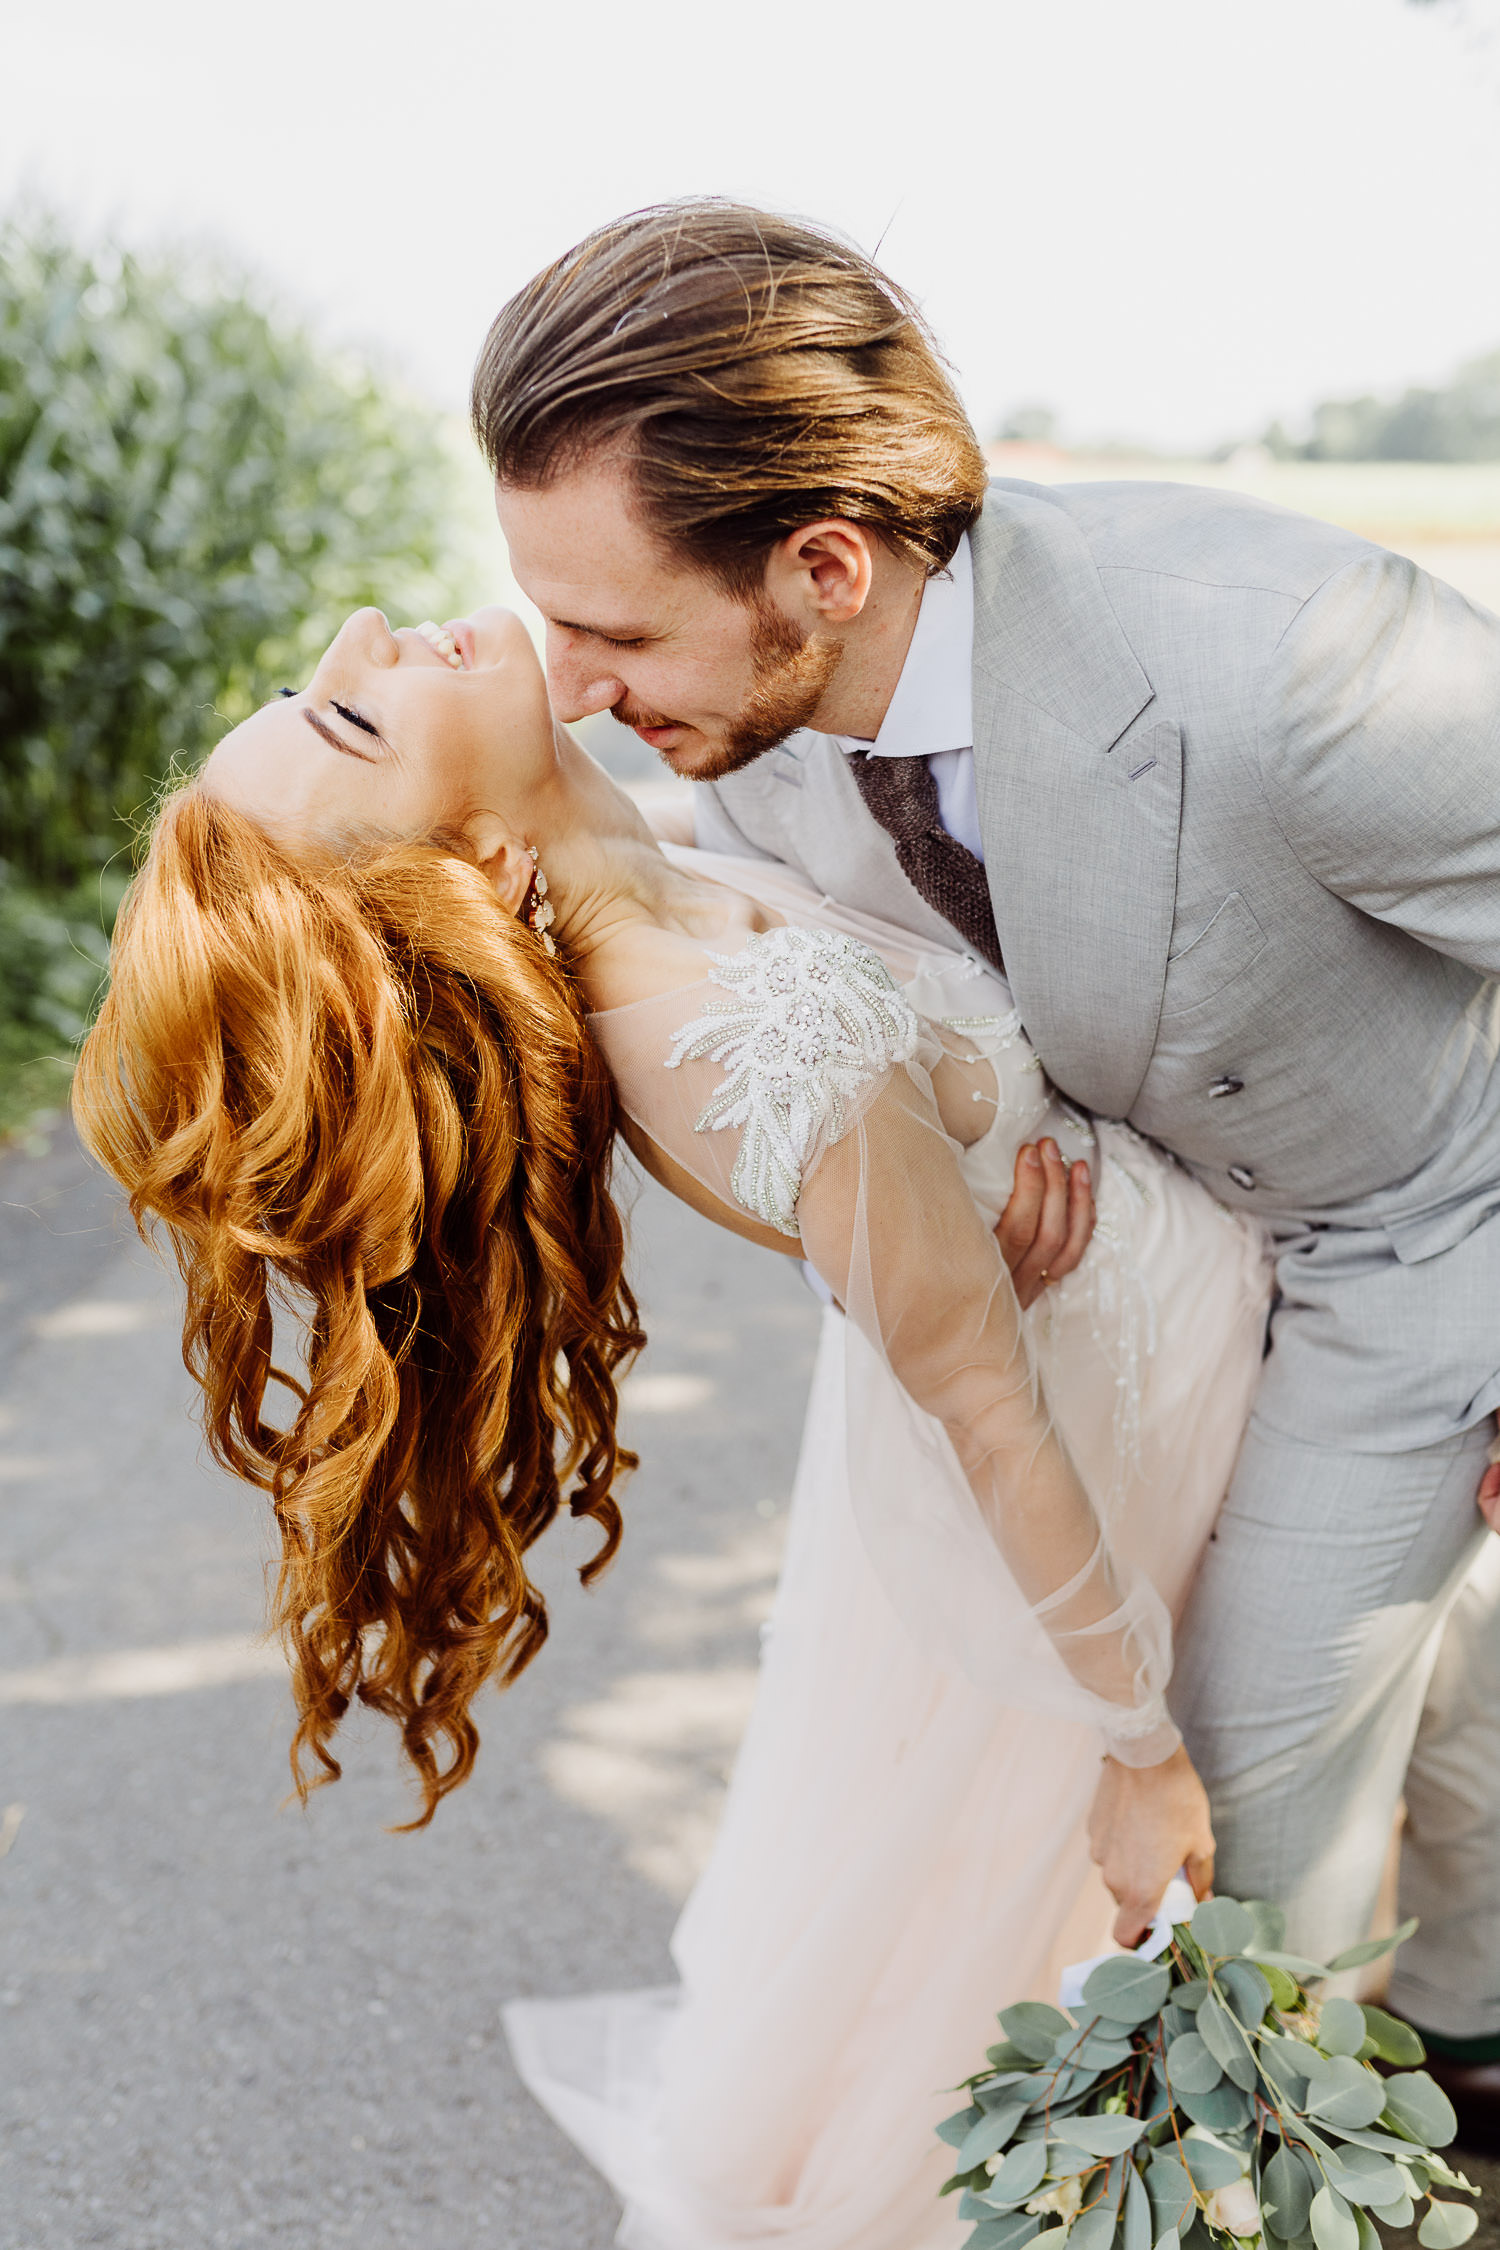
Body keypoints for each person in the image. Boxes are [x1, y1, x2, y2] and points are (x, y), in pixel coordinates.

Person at [468, 200, 1500, 2144]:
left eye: (611, 629)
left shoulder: (1293, 668)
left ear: (825, 564)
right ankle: (1479, 2007)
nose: (576, 688)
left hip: (1422, 1223)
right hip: (1160, 1271)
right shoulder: (747, 730)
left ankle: (1360, 2121)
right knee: (1385, 1705)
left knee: (1249, 1807)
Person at [73, 599, 1271, 2246]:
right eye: (349, 720)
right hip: (1129, 1419)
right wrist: (1135, 1749)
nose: (355, 634)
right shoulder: (742, 1054)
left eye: (308, 686)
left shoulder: (634, 855)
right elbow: (989, 1405)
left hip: (1149, 1291)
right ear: (477, 869)